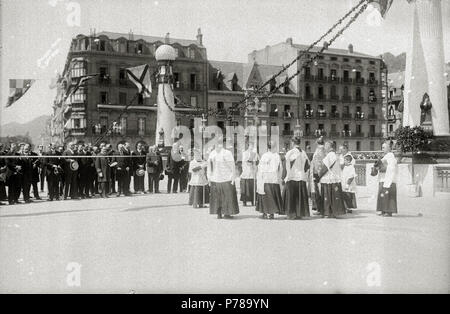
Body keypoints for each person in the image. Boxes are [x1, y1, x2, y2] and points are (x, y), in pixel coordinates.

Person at [207, 137, 239, 219]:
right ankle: (226, 213)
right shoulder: (226, 153)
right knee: (226, 196)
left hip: (216, 178)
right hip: (225, 178)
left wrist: (209, 176)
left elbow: (209, 167)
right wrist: (233, 175)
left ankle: (219, 213)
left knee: (217, 197)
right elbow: (232, 165)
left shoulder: (212, 153)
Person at [315, 141, 346, 218]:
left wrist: (318, 177)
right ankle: (334, 212)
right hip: (336, 178)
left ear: (330, 147)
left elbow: (324, 168)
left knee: (328, 196)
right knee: (334, 196)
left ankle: (328, 212)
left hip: (329, 178)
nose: (324, 147)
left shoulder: (329, 155)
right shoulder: (336, 155)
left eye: (326, 146)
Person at [283, 136, 310, 219]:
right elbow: (308, 165)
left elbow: (286, 164)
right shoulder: (303, 152)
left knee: (291, 196)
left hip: (292, 176)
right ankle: (299, 213)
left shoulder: (291, 152)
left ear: (292, 143)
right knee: (300, 196)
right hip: (301, 176)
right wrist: (303, 173)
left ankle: (291, 214)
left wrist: (284, 176)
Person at [255, 140, 283, 219]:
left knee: (265, 197)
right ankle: (271, 214)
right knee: (273, 196)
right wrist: (279, 177)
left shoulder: (264, 156)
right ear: (274, 147)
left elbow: (260, 167)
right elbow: (280, 168)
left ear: (268, 147)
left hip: (266, 179)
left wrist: (259, 177)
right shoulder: (277, 156)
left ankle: (265, 213)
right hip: (274, 179)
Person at [376, 142, 398, 217]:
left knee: (388, 195)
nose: (382, 149)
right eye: (382, 147)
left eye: (384, 147)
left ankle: (388, 211)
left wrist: (383, 166)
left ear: (389, 148)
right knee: (382, 194)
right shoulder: (385, 156)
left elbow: (391, 168)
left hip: (389, 179)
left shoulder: (391, 156)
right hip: (383, 178)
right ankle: (383, 210)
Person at [311, 137, 325, 215]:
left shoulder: (318, 151)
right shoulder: (324, 150)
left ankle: (319, 209)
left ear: (317, 143)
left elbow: (318, 163)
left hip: (318, 174)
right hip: (322, 173)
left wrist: (317, 174)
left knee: (318, 191)